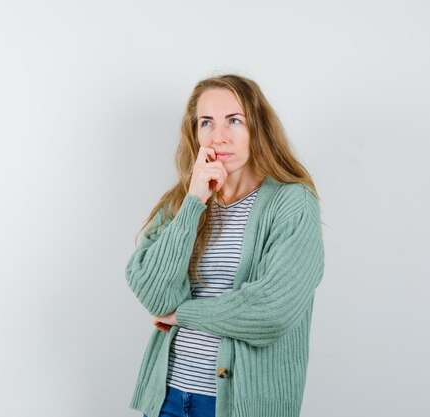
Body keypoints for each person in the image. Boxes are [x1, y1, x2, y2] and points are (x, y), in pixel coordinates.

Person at [125, 74, 325, 417]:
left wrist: (183, 314)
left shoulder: (292, 203)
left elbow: (271, 311)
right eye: (207, 122)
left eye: (234, 120)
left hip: (241, 405)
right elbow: (154, 294)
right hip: (168, 399)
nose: (219, 136)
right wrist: (193, 202)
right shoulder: (182, 202)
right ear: (195, 133)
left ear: (257, 128)